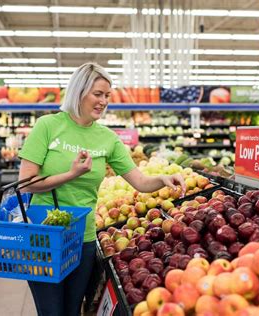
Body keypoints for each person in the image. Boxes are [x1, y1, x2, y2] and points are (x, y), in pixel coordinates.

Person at [18, 62, 185, 316]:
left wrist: (163, 178)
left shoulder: (108, 138)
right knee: (51, 312)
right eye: (98, 94)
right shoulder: (48, 126)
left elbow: (139, 181)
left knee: (73, 310)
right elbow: (26, 183)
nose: (103, 101)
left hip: (83, 238)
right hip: (44, 237)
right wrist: (71, 174)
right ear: (79, 91)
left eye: (107, 95)